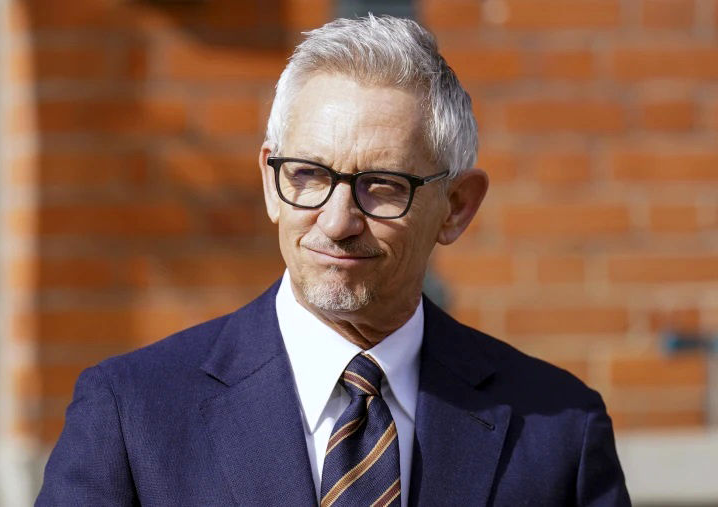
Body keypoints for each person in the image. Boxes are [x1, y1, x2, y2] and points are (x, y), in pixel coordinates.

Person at [37, 15, 630, 506]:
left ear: (455, 207)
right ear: (270, 183)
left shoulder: (557, 431)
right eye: (308, 175)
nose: (337, 221)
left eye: (383, 186)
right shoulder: (131, 414)